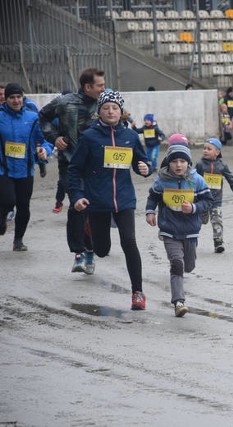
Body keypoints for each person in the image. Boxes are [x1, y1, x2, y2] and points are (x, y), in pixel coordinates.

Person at [68, 91, 152, 310]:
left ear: (121, 111)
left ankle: (138, 293)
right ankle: (89, 236)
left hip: (124, 199)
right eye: (106, 108)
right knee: (102, 250)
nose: (111, 111)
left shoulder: (131, 136)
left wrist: (145, 168)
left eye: (115, 108)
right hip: (97, 201)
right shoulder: (89, 137)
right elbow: (74, 169)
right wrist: (77, 196)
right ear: (100, 112)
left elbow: (141, 162)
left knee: (129, 241)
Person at [39, 67, 106, 273]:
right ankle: (78, 252)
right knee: (78, 204)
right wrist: (54, 137)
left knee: (92, 208)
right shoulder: (64, 102)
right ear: (88, 87)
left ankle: (90, 251)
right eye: (100, 85)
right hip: (70, 162)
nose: (103, 89)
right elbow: (43, 117)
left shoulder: (105, 104)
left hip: (96, 165)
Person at [146, 141, 214, 316]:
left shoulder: (197, 180)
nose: (178, 165)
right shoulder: (162, 181)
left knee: (188, 265)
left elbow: (208, 201)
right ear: (168, 162)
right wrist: (150, 212)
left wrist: (193, 208)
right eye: (174, 161)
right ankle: (179, 302)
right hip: (169, 229)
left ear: (188, 163)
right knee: (176, 262)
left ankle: (186, 266)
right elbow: (152, 197)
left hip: (190, 229)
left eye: (182, 161)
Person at [0, 83, 53, 251]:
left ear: (23, 97)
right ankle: (2, 220)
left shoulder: (32, 117)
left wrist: (44, 150)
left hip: (25, 168)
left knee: (24, 206)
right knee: (8, 200)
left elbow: (44, 139)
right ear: (6, 99)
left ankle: (18, 240)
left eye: (18, 97)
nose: (16, 101)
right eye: (12, 97)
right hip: (4, 168)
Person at [195, 138, 233, 253]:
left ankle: (218, 242)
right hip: (202, 200)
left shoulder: (222, 166)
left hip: (215, 200)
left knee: (217, 220)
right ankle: (192, 240)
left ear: (217, 152)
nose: (205, 151)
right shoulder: (200, 164)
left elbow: (232, 180)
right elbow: (193, 180)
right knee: (198, 221)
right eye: (204, 148)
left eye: (209, 149)